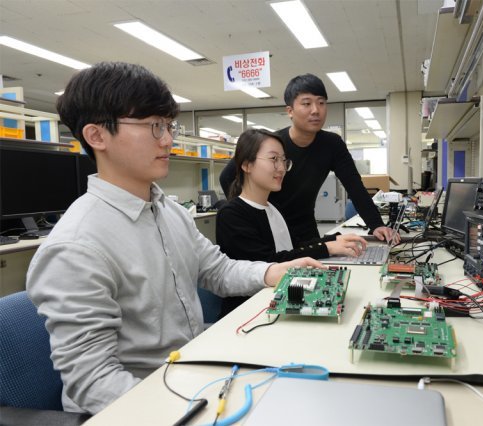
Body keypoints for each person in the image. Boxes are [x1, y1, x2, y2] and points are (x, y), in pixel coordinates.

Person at [26, 62, 323, 415]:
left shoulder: (170, 211)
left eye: (168, 126)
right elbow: (95, 382)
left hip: (189, 376)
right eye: (154, 126)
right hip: (139, 407)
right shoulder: (75, 246)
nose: (168, 139)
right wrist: (186, 412)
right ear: (97, 136)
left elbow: (217, 270)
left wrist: (273, 273)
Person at [219, 73, 398, 244]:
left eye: (321, 103)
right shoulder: (272, 144)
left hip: (306, 231)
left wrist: (377, 224)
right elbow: (227, 176)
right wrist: (246, 214)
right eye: (306, 103)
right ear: (290, 111)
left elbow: (355, 186)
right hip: (270, 228)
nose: (315, 110)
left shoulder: (332, 144)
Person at [216, 128, 367, 315]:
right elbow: (271, 264)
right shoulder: (232, 215)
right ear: (247, 165)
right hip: (249, 313)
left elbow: (295, 247)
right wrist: (327, 248)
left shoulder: (273, 208)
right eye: (273, 159)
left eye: (283, 160)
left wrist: (333, 241)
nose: (281, 168)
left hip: (280, 303)